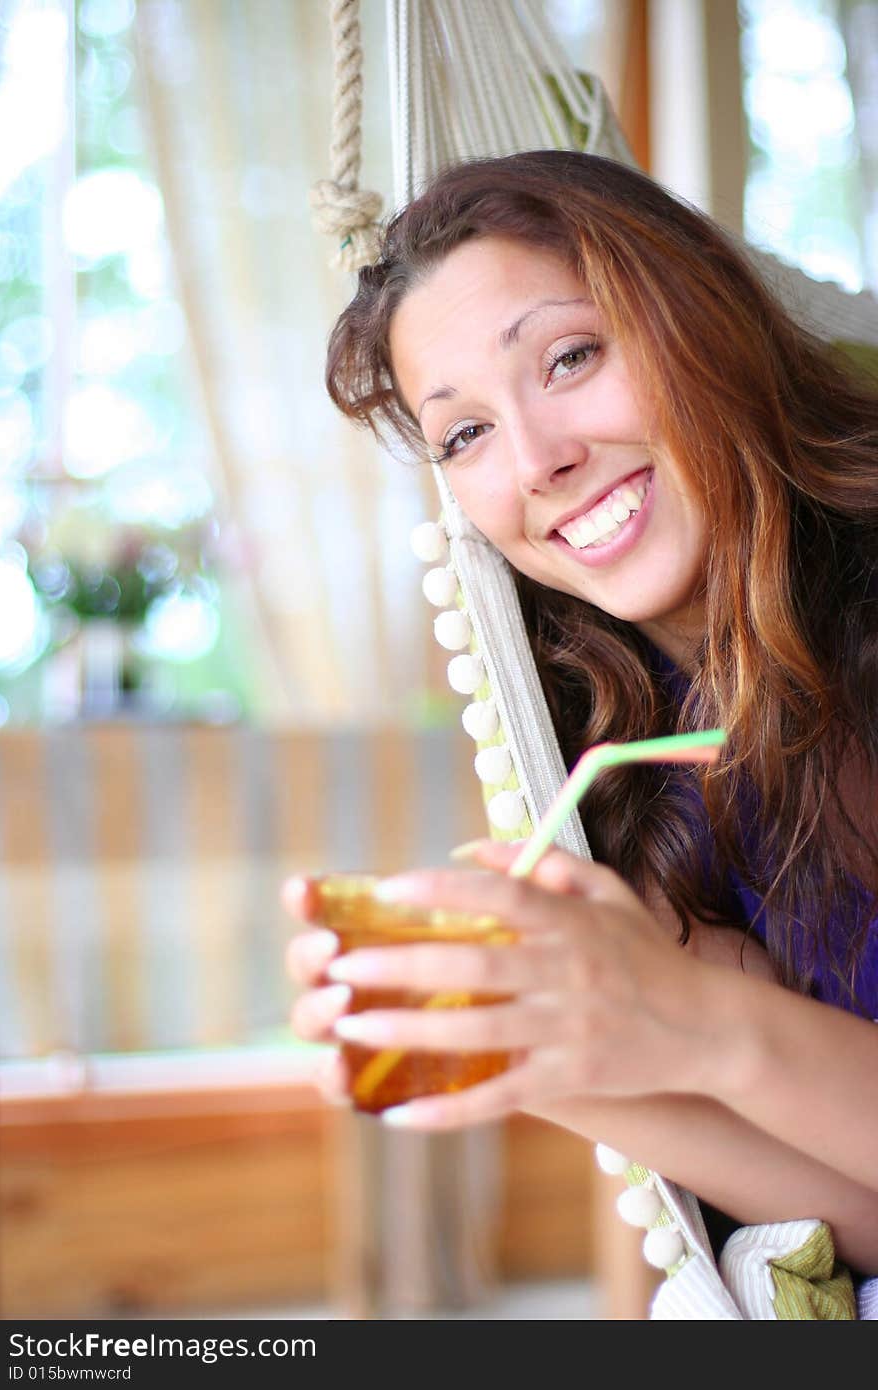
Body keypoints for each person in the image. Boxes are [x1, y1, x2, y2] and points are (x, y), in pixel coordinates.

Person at [284, 151, 878, 1289]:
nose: (539, 461)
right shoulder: (627, 779)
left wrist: (690, 1016)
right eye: (464, 435)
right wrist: (553, 1059)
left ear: (693, 313)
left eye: (569, 357)